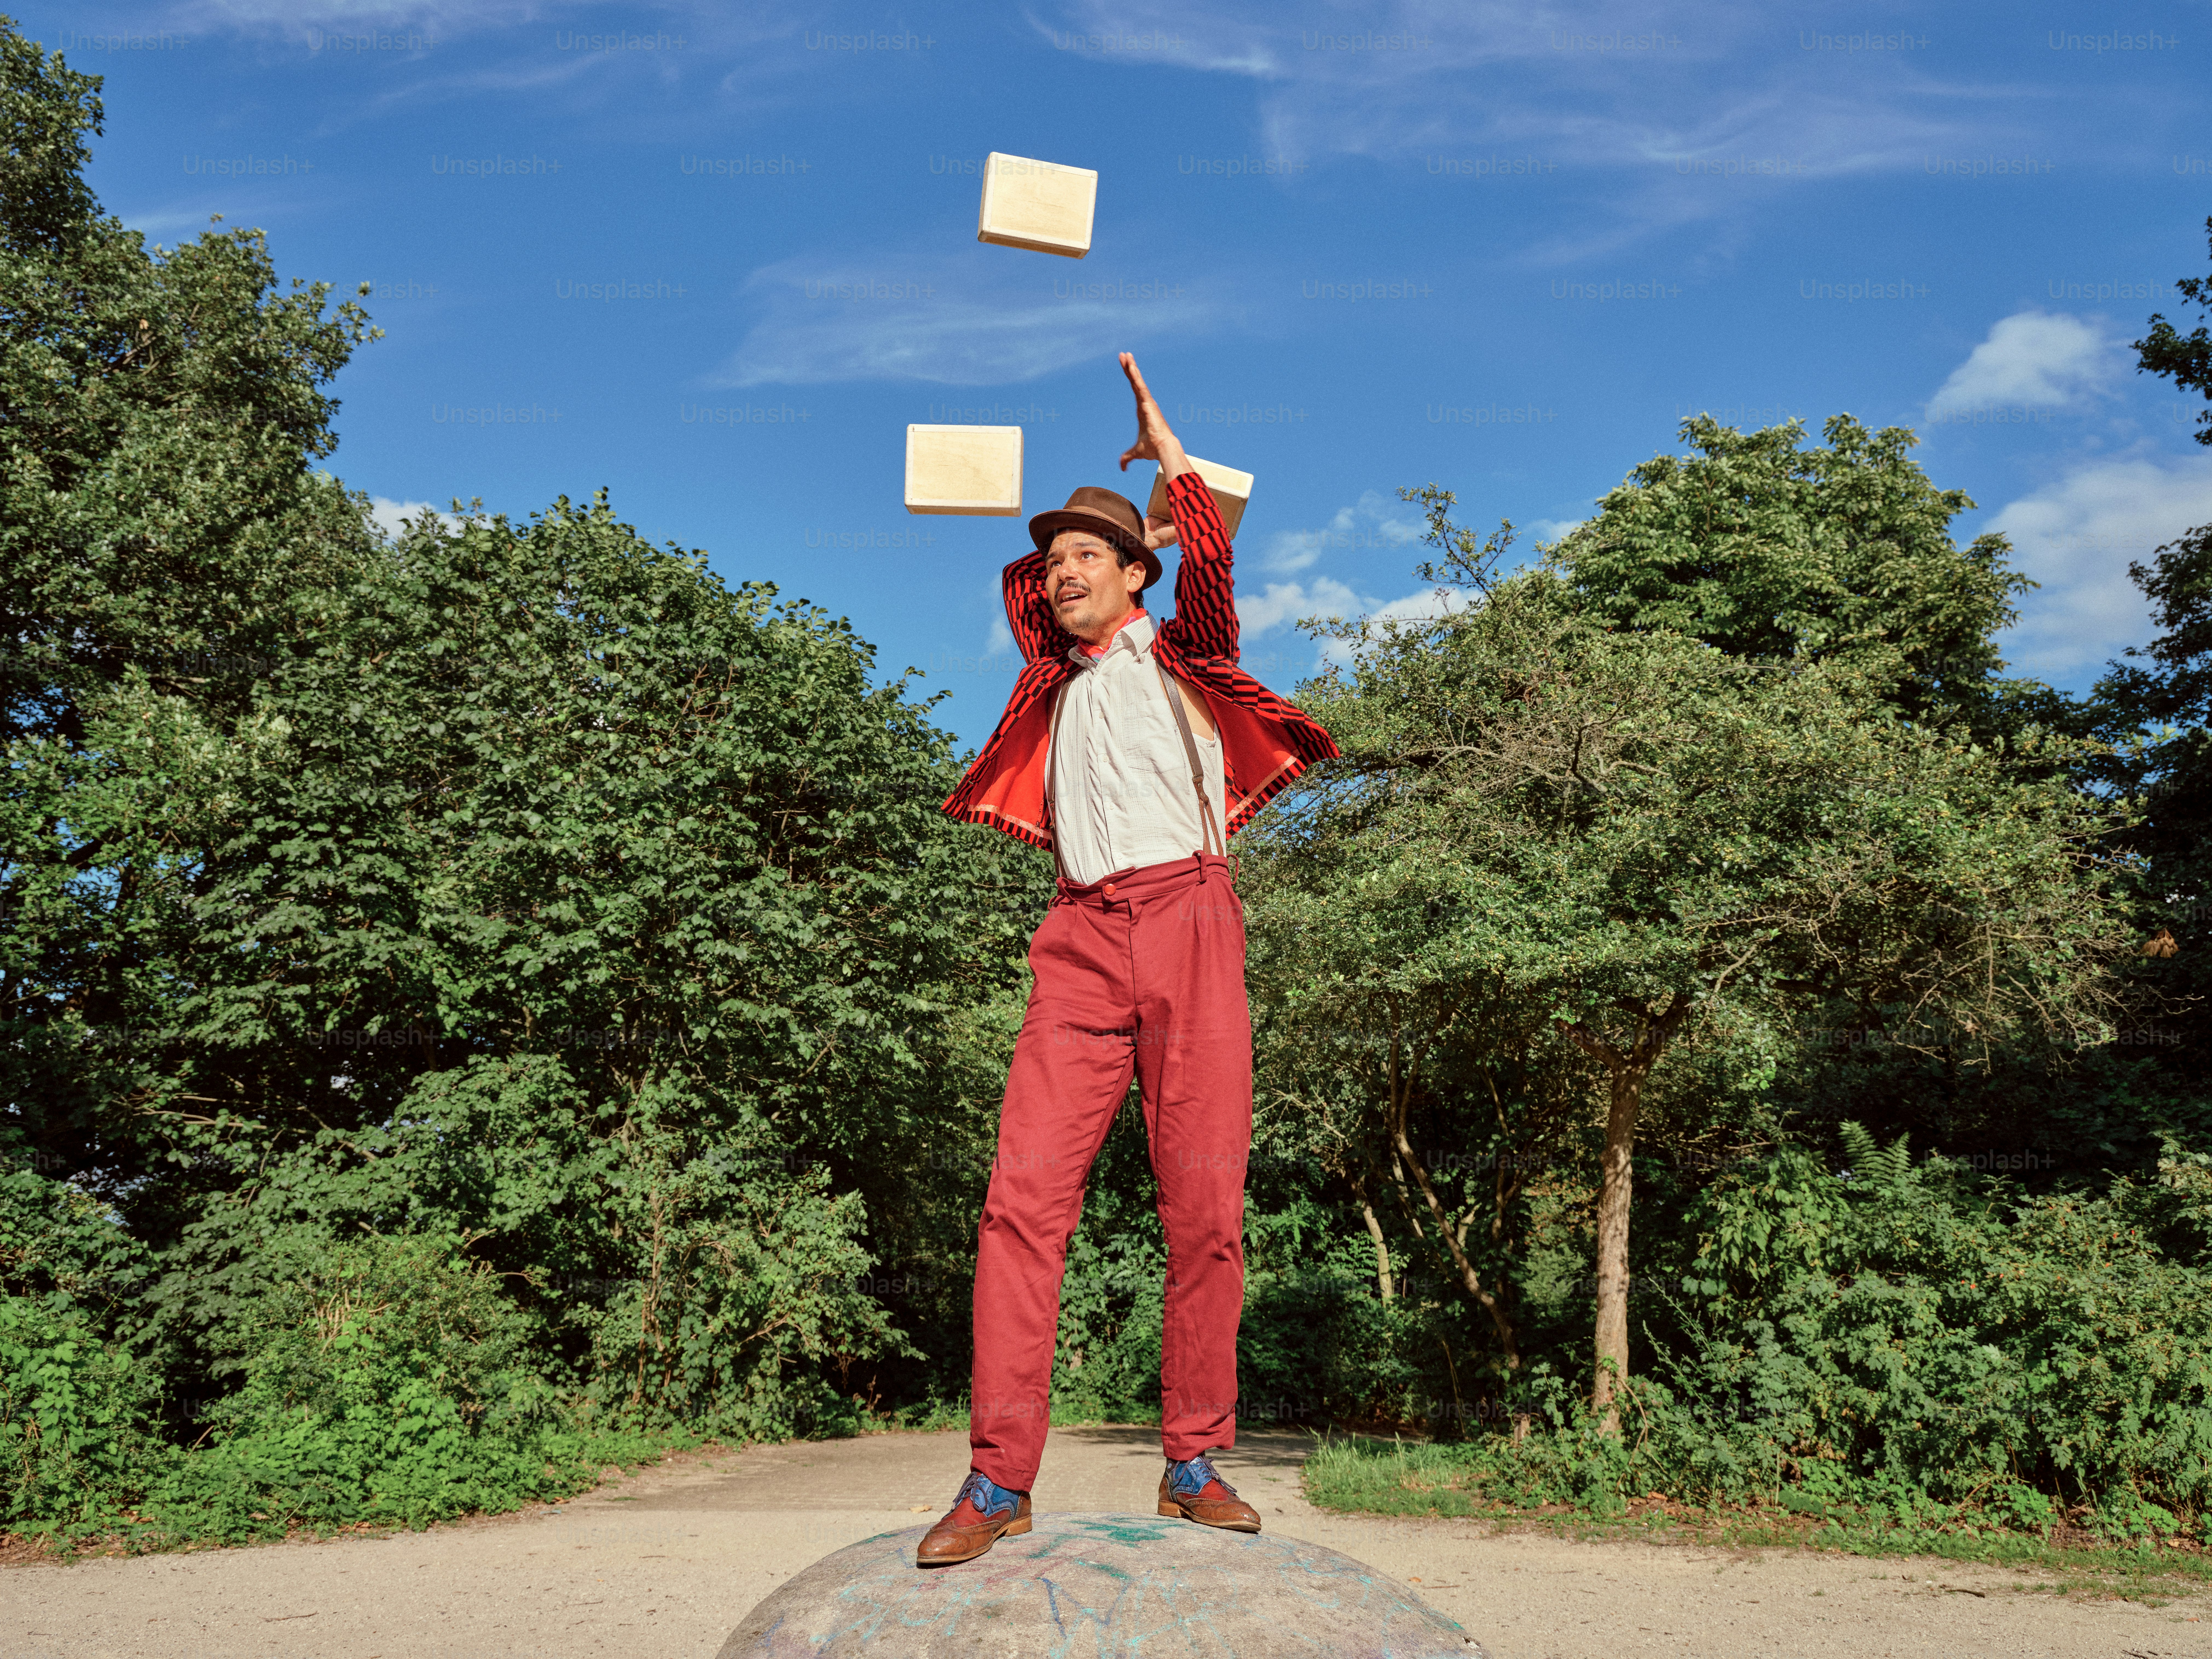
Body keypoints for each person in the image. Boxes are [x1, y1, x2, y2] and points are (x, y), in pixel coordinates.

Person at [918, 354, 1339, 1566]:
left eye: (1083, 558)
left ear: (1136, 572)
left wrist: (1166, 452)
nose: (1058, 575)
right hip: (1079, 941)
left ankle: (1193, 1460)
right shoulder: (1046, 688)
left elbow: (1204, 556)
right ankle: (998, 1482)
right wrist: (1060, 539)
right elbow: (1031, 588)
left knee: (1202, 1208)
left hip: (1192, 924)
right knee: (1018, 1207)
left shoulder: (1185, 650)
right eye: (1049, 564)